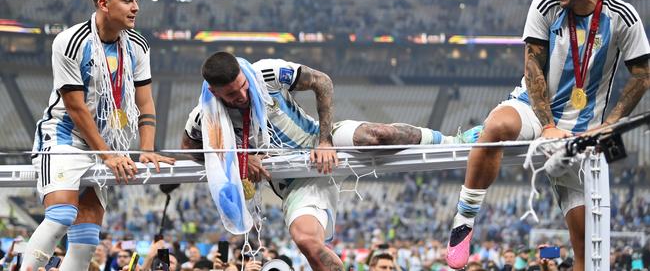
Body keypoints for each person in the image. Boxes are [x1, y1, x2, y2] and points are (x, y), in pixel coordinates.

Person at [446, 0, 650, 270]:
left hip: (584, 131)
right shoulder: (546, 4)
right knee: (496, 127)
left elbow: (642, 75)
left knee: (585, 244)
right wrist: (548, 126)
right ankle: (464, 220)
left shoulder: (623, 17)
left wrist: (610, 124)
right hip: (535, 109)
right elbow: (532, 66)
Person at [182, 52, 481, 271]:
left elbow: (322, 82)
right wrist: (241, 165)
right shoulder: (203, 117)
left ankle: (455, 141)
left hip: (318, 141)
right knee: (306, 241)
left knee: (376, 134)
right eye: (232, 95)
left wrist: (325, 140)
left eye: (242, 86)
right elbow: (191, 150)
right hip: (293, 179)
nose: (242, 95)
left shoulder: (267, 74)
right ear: (213, 92)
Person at [21, 0, 176, 270]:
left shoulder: (138, 46)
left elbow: (144, 101)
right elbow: (76, 108)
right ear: (104, 4)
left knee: (87, 236)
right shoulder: (70, 41)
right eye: (128, 0)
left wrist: (146, 147)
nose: (136, 8)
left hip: (102, 144)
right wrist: (108, 155)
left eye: (137, 0)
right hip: (64, 135)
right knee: (62, 216)